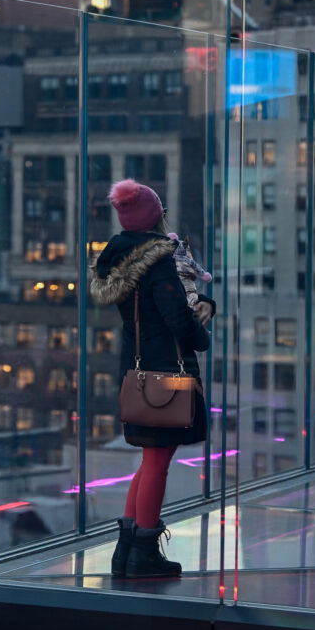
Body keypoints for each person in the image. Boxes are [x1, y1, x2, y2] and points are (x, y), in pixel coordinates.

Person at [90, 179, 215, 578]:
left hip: (138, 370)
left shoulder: (120, 258)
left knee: (149, 461)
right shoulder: (157, 262)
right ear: (155, 218)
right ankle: (143, 551)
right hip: (166, 373)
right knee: (157, 463)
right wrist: (202, 333)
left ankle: (127, 551)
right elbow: (176, 316)